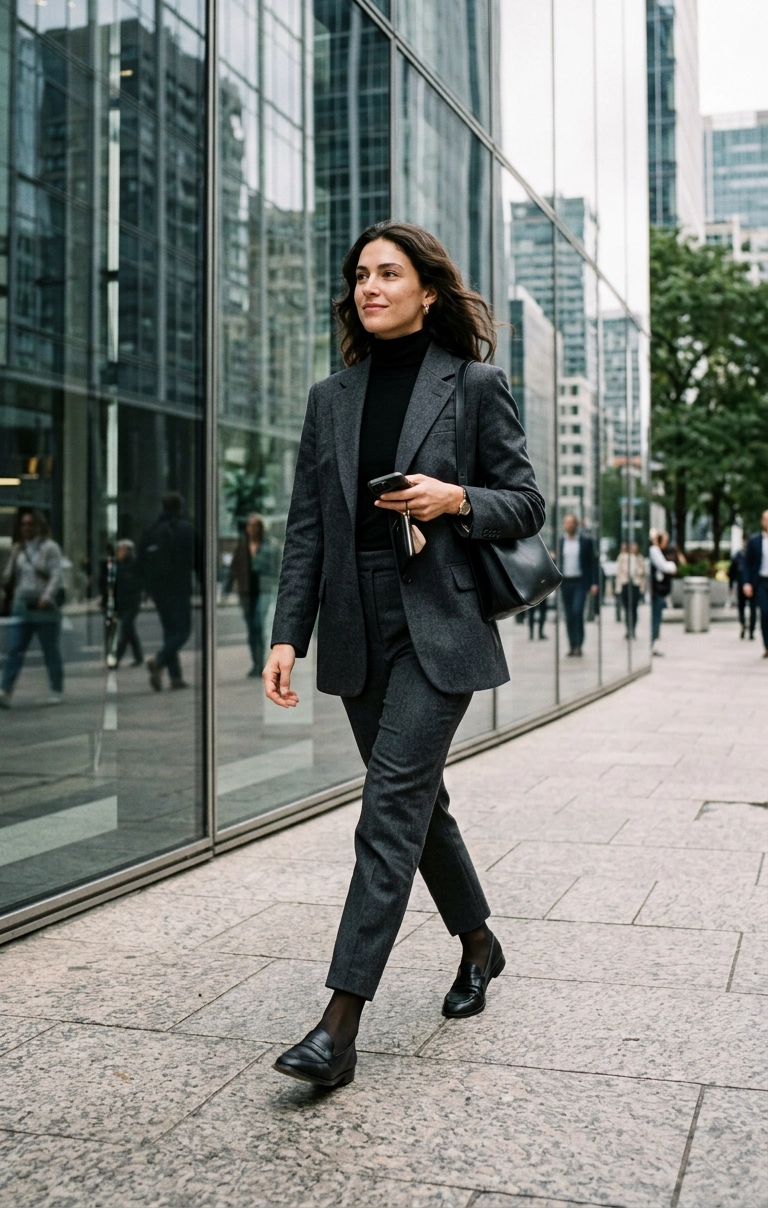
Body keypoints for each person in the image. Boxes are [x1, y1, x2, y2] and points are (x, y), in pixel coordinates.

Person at [263, 221, 545, 1089]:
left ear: (428, 289)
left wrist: (456, 497)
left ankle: (338, 1026)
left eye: (388, 273)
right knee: (421, 808)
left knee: (387, 809)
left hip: (440, 622)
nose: (369, 287)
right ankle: (480, 944)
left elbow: (526, 502)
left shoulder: (473, 385)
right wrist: (287, 633)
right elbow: (308, 527)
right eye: (359, 275)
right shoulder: (330, 398)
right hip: (357, 626)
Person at [0, 509, 64, 707]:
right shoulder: (18, 549)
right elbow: (9, 576)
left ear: (38, 526)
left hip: (43, 605)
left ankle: (56, 688)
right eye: (23, 524)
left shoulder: (50, 547)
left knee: (50, 650)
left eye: (30, 524)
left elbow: (56, 575)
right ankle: (5, 690)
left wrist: (46, 597)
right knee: (15, 649)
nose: (26, 528)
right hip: (22, 604)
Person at [138, 493, 200, 691]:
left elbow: (141, 561)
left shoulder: (150, 530)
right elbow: (199, 559)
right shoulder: (186, 528)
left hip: (158, 588)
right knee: (182, 631)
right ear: (180, 507)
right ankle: (159, 660)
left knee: (170, 631)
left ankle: (175, 677)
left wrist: (145, 588)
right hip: (179, 586)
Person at [226, 514, 278, 678]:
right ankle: (255, 663)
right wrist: (227, 588)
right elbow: (234, 568)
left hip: (263, 589)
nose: (253, 529)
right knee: (251, 628)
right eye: (250, 525)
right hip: (246, 591)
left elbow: (276, 567)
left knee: (258, 625)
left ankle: (260, 661)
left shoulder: (270, 545)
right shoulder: (242, 546)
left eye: (256, 526)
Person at [558, 514, 598, 656]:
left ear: (576, 525)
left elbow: (593, 563)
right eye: (566, 523)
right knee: (568, 615)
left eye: (571, 523)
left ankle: (579, 644)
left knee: (577, 611)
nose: (568, 525)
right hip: (565, 582)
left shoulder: (585, 541)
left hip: (580, 582)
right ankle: (572, 645)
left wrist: (594, 583)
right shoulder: (561, 542)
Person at [742, 510, 768, 658]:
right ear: (762, 521)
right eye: (766, 520)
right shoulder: (755, 541)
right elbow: (747, 564)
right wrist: (747, 583)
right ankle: (767, 645)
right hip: (761, 582)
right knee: (765, 613)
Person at [649, 529, 678, 655]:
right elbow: (664, 566)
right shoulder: (654, 551)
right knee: (655, 618)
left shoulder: (659, 551)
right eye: (665, 541)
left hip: (659, 591)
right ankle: (651, 645)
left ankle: (652, 645)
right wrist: (672, 566)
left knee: (657, 617)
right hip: (656, 592)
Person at [615, 541, 646, 639]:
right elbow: (619, 572)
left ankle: (633, 629)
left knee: (634, 608)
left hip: (635, 584)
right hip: (625, 583)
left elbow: (643, 570)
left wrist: (638, 571)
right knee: (627, 608)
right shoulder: (622, 557)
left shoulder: (639, 558)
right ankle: (628, 629)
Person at [729, 541, 756, 641]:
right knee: (742, 607)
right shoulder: (738, 555)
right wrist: (731, 585)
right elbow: (732, 571)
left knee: (749, 608)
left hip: (752, 586)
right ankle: (744, 625)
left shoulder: (742, 555)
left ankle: (750, 629)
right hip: (743, 585)